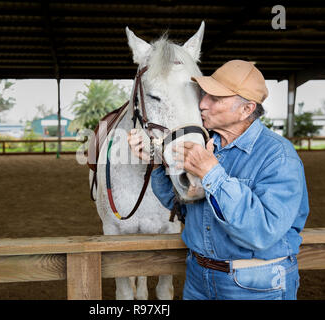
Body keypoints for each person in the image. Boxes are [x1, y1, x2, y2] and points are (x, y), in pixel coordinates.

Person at [127, 60, 309, 300]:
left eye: (215, 99)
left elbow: (263, 231)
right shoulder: (204, 143)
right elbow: (179, 206)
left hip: (255, 286)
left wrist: (212, 174)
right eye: (204, 95)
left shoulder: (279, 155)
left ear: (247, 109)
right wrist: (157, 161)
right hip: (198, 279)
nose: (202, 104)